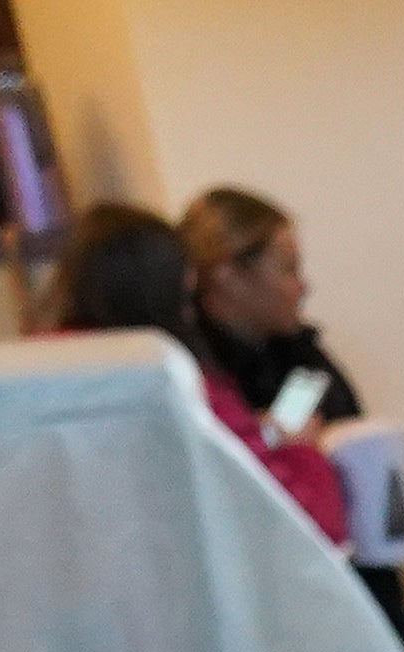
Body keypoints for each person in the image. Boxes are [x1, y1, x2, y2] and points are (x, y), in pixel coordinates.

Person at [41, 200, 343, 546]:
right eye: (184, 300)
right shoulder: (181, 386)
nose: (303, 286)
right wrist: (300, 450)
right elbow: (305, 525)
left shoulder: (39, 377)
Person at [175, 184, 357, 439]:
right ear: (229, 276)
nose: (303, 287)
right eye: (289, 269)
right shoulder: (192, 371)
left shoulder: (299, 358)